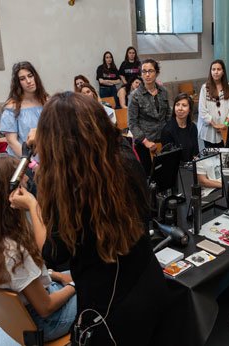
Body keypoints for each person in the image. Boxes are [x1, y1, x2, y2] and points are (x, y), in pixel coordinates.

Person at [32, 92, 174, 344]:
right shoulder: (127, 159)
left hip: (109, 308)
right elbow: (113, 136)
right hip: (148, 282)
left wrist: (32, 204)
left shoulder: (69, 193)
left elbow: (54, 253)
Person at [0, 155, 77, 342]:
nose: (27, 179)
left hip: (28, 308)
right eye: (22, 179)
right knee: (100, 281)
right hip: (49, 321)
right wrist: (75, 284)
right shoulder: (12, 252)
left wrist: (58, 276)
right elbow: (46, 307)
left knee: (79, 272)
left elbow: (25, 280)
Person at [127, 58, 170, 174]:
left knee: (165, 173)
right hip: (144, 141)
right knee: (149, 176)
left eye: (150, 71)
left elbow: (168, 116)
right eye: (144, 71)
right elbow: (132, 123)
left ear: (156, 73)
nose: (147, 74)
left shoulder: (163, 91)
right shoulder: (135, 95)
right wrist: (146, 142)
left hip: (162, 138)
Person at [0, 61, 48, 157]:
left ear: (35, 77)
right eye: (23, 79)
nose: (28, 81)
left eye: (30, 76)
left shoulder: (48, 102)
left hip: (49, 157)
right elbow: (12, 142)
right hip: (24, 160)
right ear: (18, 83)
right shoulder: (11, 108)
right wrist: (31, 163)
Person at [198, 59, 229, 148]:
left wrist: (225, 125)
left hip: (224, 129)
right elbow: (202, 111)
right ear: (210, 72)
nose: (216, 72)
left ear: (223, 72)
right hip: (209, 130)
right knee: (211, 158)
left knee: (224, 156)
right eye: (213, 69)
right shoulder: (205, 88)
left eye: (219, 69)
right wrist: (215, 125)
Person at [161, 93, 199, 162]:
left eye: (184, 105)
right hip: (176, 169)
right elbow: (169, 159)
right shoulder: (167, 130)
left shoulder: (192, 127)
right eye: (177, 105)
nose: (180, 108)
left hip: (191, 166)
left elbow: (196, 152)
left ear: (190, 109)